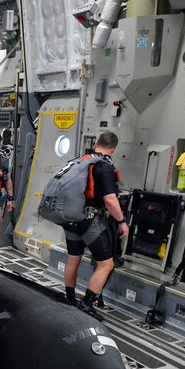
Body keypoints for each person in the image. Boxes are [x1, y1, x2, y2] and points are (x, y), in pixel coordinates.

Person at [62, 131, 128, 318]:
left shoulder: (79, 160)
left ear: (96, 144)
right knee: (106, 264)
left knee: (73, 259)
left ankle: (70, 298)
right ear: (113, 148)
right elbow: (110, 199)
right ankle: (86, 304)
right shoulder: (104, 166)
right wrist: (122, 221)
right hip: (88, 221)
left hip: (69, 218)